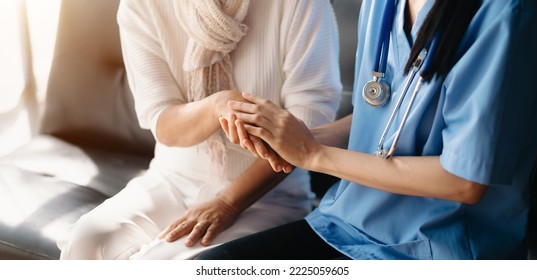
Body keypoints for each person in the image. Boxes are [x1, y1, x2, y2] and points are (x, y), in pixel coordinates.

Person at [196, 0, 537, 260]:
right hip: (346, 224)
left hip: (438, 250)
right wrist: (285, 137)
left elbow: (464, 181)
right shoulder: (381, 4)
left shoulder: (506, 14)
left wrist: (313, 154)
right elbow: (379, 119)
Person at [56, 0, 341, 260]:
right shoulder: (141, 5)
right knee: (87, 241)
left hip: (269, 197)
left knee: (161, 263)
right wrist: (217, 105)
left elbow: (310, 124)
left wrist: (228, 204)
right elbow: (163, 122)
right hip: (172, 180)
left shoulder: (302, 4)